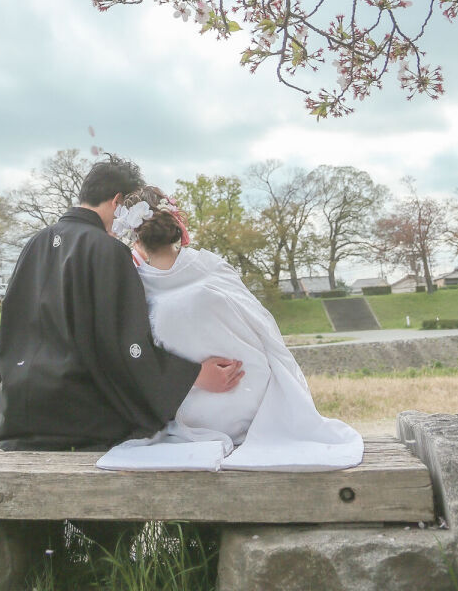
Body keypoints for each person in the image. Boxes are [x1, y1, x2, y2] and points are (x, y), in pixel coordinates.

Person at [0, 158, 245, 451]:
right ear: (118, 201)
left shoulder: (35, 243)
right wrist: (193, 375)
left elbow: (11, 333)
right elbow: (125, 346)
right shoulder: (108, 251)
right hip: (74, 417)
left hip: (15, 411)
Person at [98, 186, 363, 471]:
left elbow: (135, 359)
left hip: (191, 411)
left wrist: (192, 376)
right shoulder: (210, 266)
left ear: (135, 237)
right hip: (253, 397)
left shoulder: (136, 287)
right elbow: (263, 327)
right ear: (175, 222)